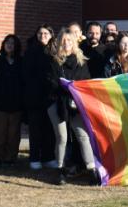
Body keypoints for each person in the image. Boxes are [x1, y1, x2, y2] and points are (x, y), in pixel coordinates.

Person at [46, 28, 97, 185]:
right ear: (60, 43)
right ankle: (59, 170)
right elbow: (51, 82)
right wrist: (65, 88)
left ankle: (91, 170)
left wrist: (74, 91)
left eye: (69, 40)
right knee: (62, 137)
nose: (67, 43)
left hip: (76, 104)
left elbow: (86, 82)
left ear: (74, 42)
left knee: (83, 136)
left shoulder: (81, 61)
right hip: (58, 103)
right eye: (64, 41)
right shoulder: (54, 61)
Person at [21, 24, 57, 170]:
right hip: (34, 97)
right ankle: (34, 158)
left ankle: (48, 157)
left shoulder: (55, 52)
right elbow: (25, 75)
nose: (43, 36)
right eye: (40, 34)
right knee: (35, 130)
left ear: (51, 35)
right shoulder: (31, 51)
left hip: (50, 98)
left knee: (49, 129)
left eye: (46, 34)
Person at [0, 34, 23, 167]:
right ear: (3, 45)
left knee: (14, 134)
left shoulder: (21, 62)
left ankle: (11, 158)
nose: (9, 45)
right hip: (0, 104)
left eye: (12, 43)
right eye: (7, 42)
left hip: (16, 105)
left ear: (16, 46)